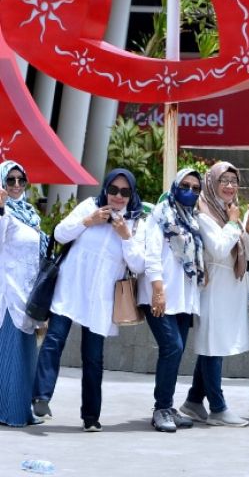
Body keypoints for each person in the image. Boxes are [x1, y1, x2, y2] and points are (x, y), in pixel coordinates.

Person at [32, 169, 148, 431]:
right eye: (114, 190)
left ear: (132, 194)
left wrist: (125, 236)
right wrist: (88, 220)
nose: (118, 196)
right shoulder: (89, 206)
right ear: (106, 188)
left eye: (125, 192)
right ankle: (40, 396)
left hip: (101, 299)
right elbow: (60, 234)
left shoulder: (137, 223)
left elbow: (139, 264)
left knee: (93, 357)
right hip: (71, 288)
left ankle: (91, 416)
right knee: (54, 340)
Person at [181, 162, 249, 427]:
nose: (229, 186)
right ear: (211, 183)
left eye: (233, 181)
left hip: (233, 285)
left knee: (213, 346)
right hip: (213, 285)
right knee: (212, 345)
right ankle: (217, 407)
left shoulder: (230, 212)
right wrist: (236, 222)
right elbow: (217, 248)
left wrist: (246, 229)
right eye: (223, 180)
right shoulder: (204, 213)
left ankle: (193, 400)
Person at [137, 167, 207, 432]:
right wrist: (157, 290)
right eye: (185, 186)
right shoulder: (160, 215)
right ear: (175, 186)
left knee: (175, 353)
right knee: (172, 348)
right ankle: (161, 409)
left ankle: (167, 405)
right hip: (160, 295)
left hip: (183, 298)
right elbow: (152, 255)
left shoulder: (192, 218)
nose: (189, 191)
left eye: (195, 188)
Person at [0, 161, 47, 427]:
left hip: (29, 294)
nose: (16, 185)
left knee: (25, 355)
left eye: (21, 180)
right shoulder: (4, 212)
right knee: (10, 353)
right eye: (10, 180)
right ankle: (10, 413)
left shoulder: (30, 214)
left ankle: (21, 409)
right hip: (8, 293)